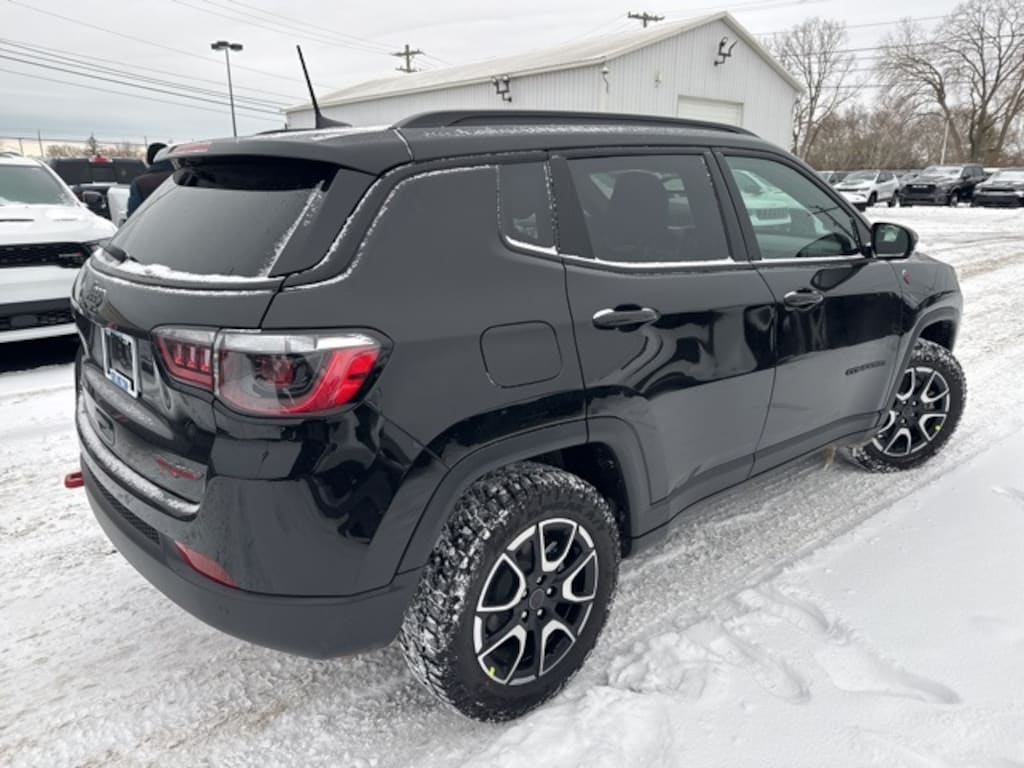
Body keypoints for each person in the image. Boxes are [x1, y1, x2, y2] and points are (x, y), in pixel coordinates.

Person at [126, 142, 173, 216]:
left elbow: (133, 215)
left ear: (148, 159)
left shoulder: (140, 183)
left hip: (151, 225)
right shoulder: (183, 177)